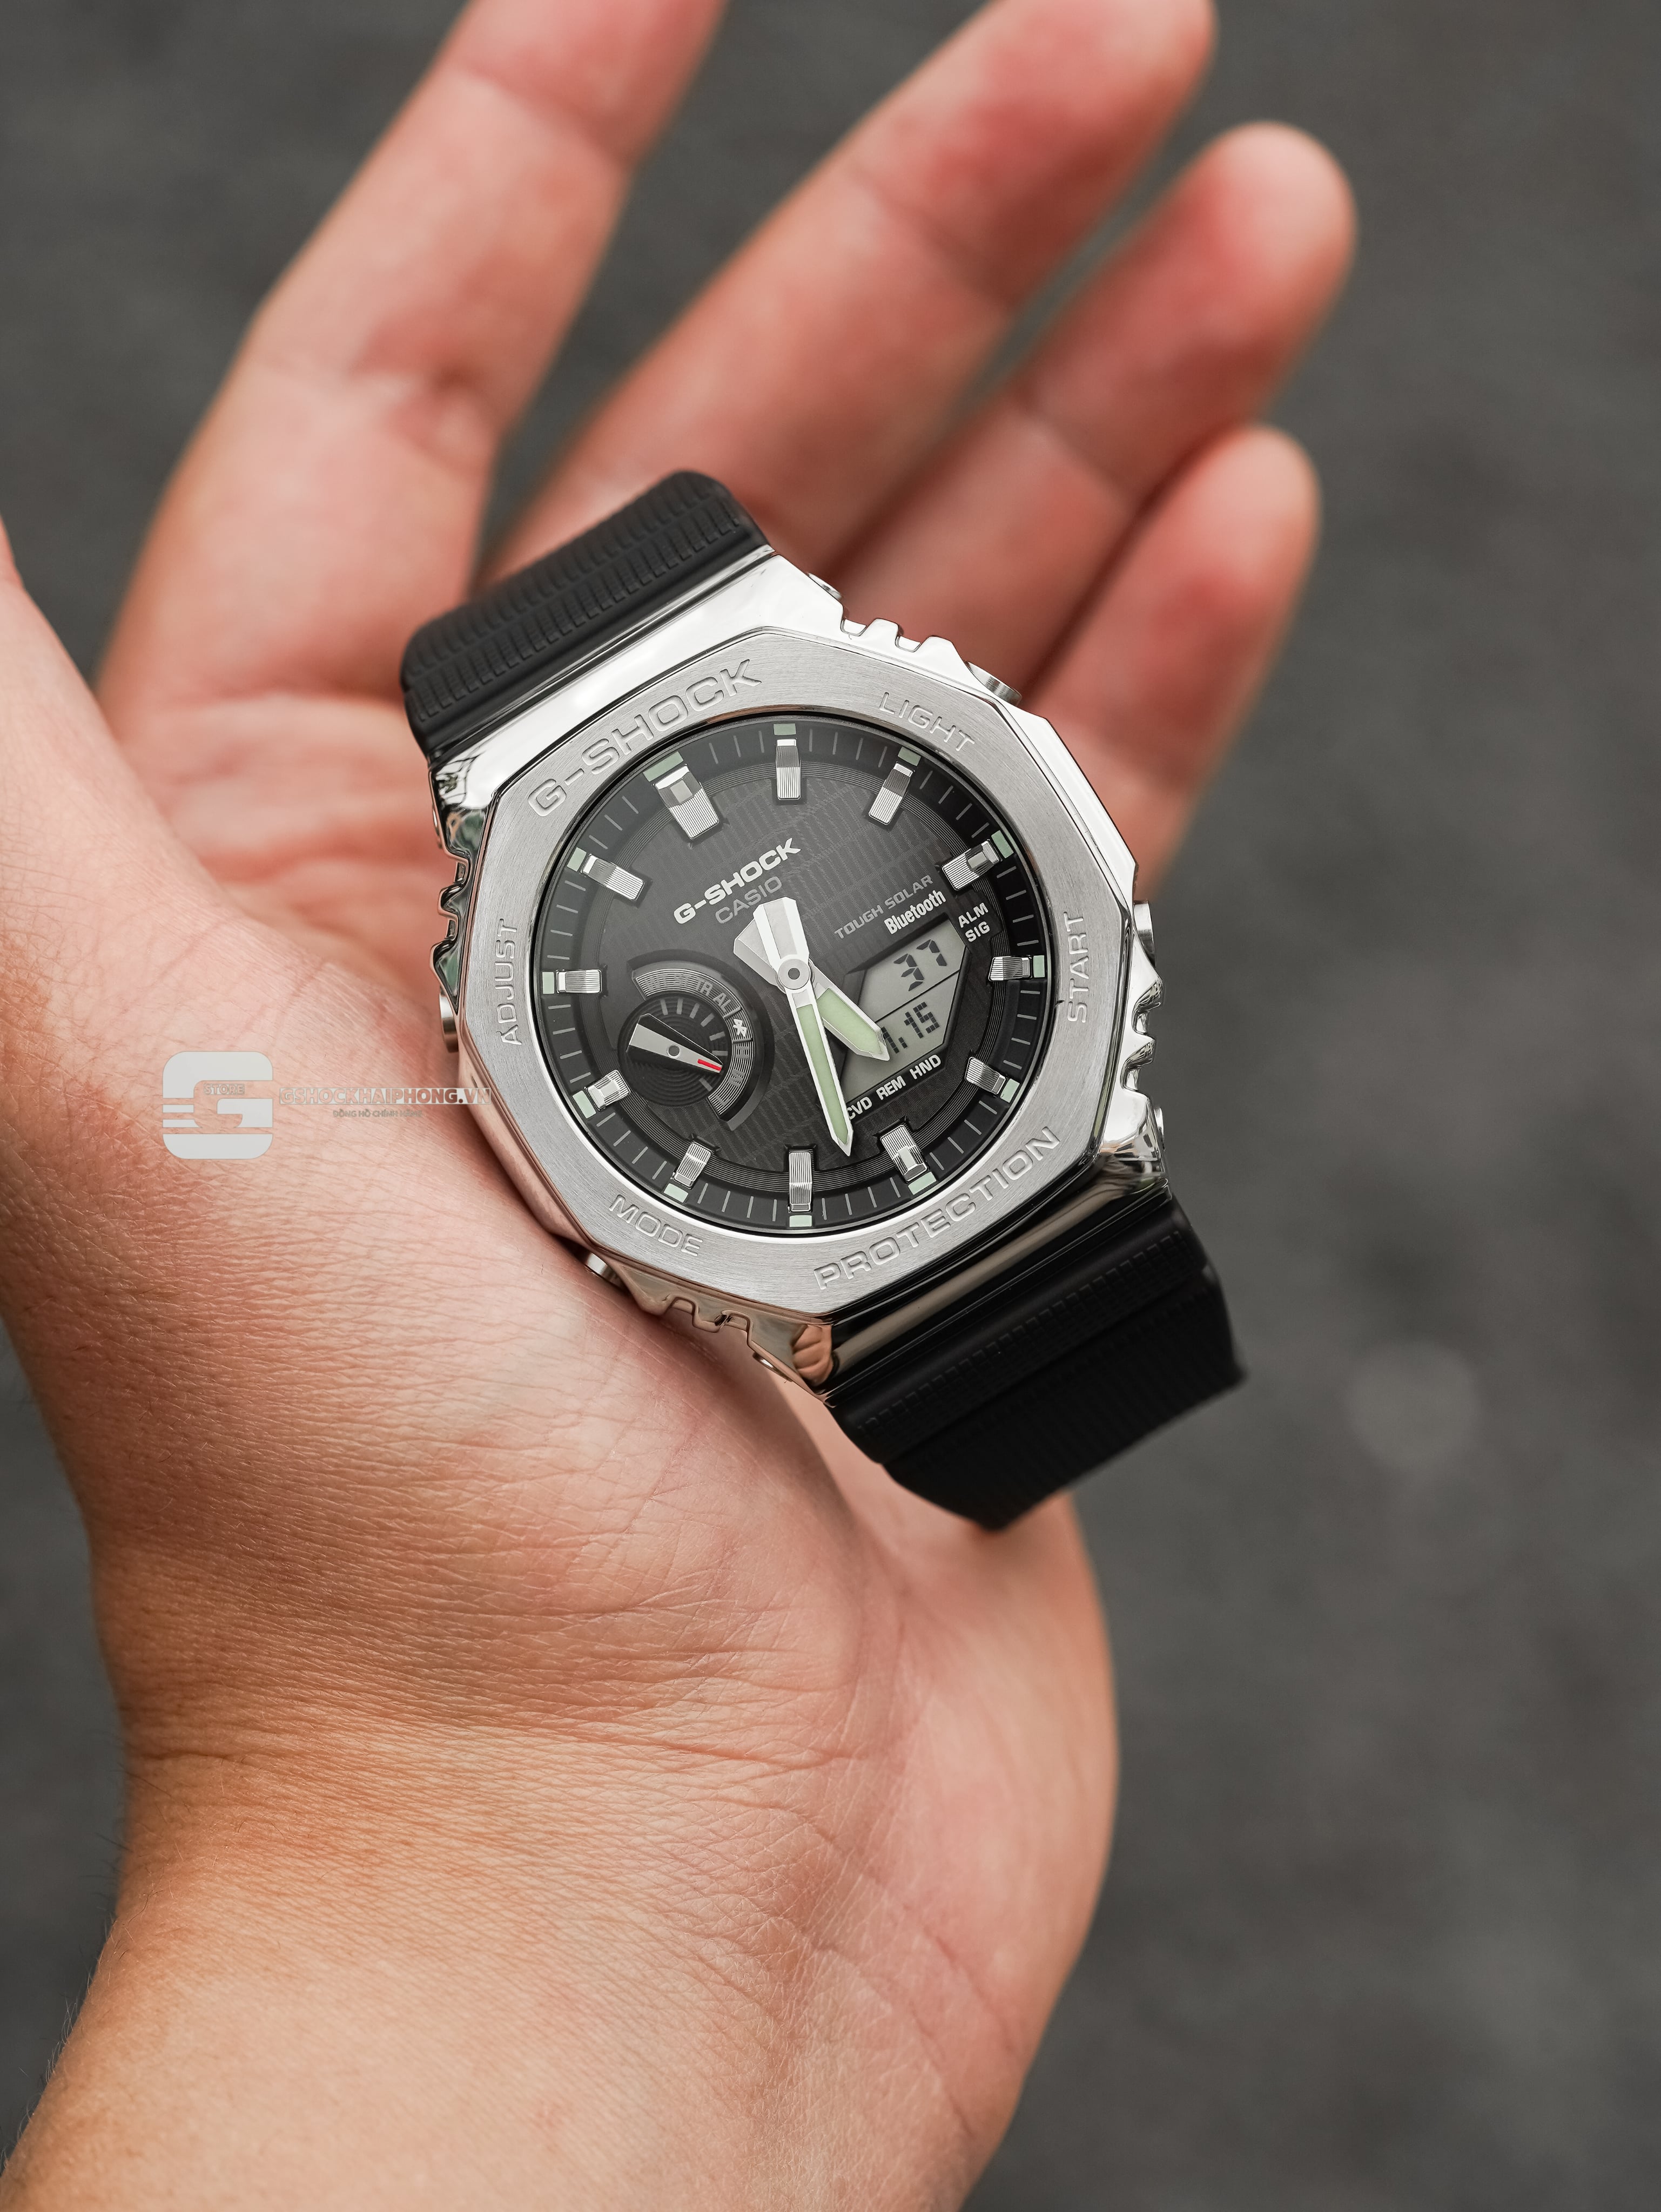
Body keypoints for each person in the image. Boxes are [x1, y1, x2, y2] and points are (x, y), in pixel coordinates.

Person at [0, 0, 1351, 2201]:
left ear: (1003, 767)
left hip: (1011, 1168)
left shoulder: (873, 764)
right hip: (869, 1229)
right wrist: (611, 1805)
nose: (788, 961)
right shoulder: (608, 1071)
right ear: (513, 1100)